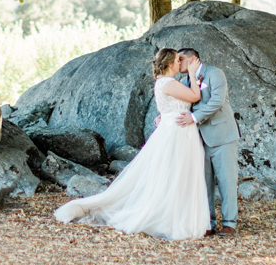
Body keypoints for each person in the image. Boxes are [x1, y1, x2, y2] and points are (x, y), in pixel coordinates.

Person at [53, 47, 210, 240]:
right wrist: (194, 74)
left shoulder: (166, 83)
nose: (181, 63)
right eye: (178, 60)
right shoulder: (168, 83)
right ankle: (170, 217)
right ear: (170, 64)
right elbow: (195, 97)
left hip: (178, 129)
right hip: (177, 132)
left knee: (179, 174)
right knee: (174, 174)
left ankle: (180, 215)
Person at [174, 48, 240, 236]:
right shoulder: (182, 81)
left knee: (227, 180)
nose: (178, 63)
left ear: (193, 59)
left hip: (222, 135)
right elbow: (178, 106)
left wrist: (194, 117)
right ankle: (208, 222)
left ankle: (229, 223)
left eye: (181, 59)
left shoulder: (214, 73)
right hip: (196, 139)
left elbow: (217, 101)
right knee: (203, 182)